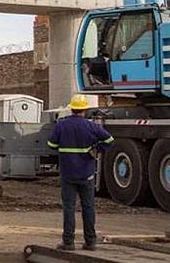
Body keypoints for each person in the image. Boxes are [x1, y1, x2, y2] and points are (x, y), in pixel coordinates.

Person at [47, 94, 114, 251]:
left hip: (68, 172)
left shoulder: (61, 125)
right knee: (88, 207)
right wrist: (97, 149)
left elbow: (51, 144)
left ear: (72, 109)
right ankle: (90, 241)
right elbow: (110, 140)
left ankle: (68, 242)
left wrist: (63, 150)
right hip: (87, 172)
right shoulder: (91, 126)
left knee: (69, 207)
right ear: (84, 109)